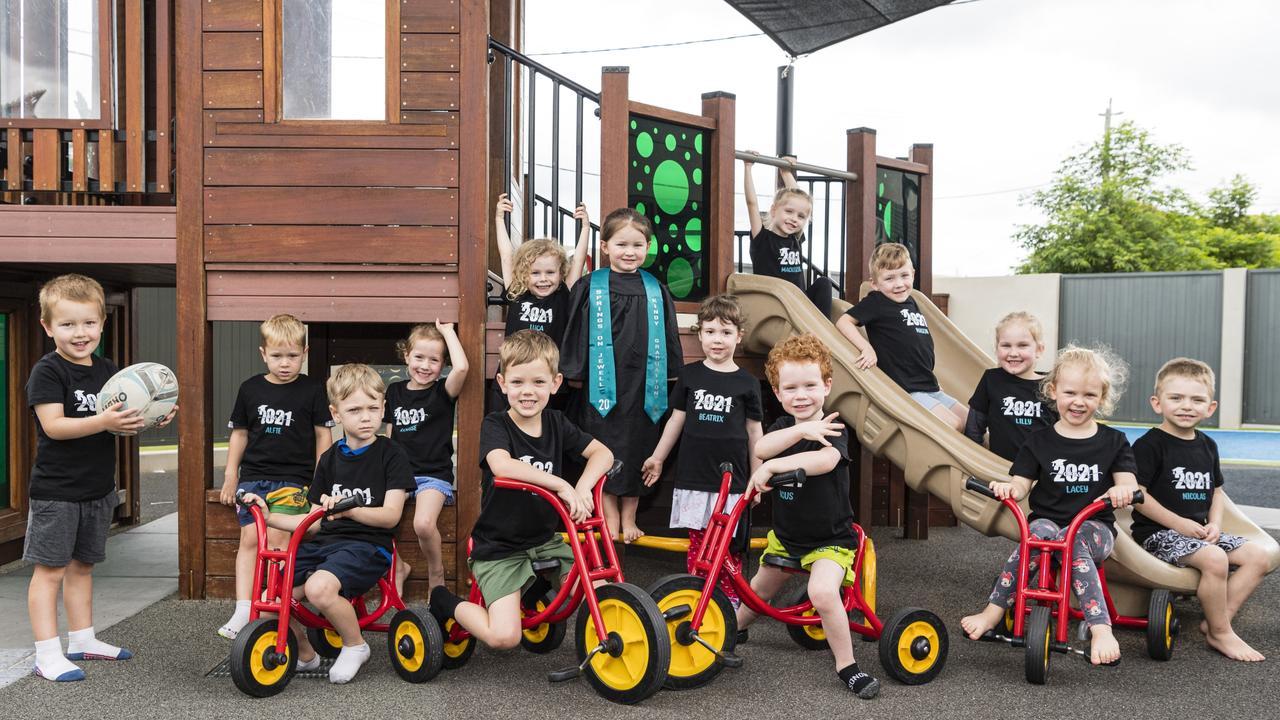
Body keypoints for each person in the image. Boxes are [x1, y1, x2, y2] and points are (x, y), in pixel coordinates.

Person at [25, 274, 172, 682]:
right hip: (57, 491)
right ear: (48, 327)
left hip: (96, 489)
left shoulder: (108, 371)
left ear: (102, 323)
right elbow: (54, 426)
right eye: (68, 324)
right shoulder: (48, 372)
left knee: (83, 566)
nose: (80, 333)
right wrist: (104, 419)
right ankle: (46, 653)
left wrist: (151, 416)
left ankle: (83, 639)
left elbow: (118, 425)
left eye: (88, 322)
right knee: (49, 571)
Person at [428, 330, 614, 650]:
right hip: (500, 547)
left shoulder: (557, 423)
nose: (528, 392)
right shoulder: (496, 425)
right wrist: (561, 484)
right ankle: (445, 602)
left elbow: (603, 454)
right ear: (502, 384)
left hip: (544, 541)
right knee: (504, 637)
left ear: (555, 383)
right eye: (517, 383)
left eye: (538, 382)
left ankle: (532, 594)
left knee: (599, 586)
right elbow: (501, 465)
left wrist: (583, 488)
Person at [960, 346, 1138, 665]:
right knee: (1033, 537)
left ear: (1102, 397)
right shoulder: (1039, 440)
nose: (1078, 402)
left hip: (1094, 528)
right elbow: (1021, 485)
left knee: (1074, 541)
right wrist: (1007, 488)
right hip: (1049, 524)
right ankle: (993, 611)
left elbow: (1128, 481)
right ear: (1053, 390)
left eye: (1089, 394)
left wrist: (1124, 490)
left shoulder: (1113, 441)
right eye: (1070, 392)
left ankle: (1100, 628)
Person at [242, 363, 414, 684]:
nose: (366, 416)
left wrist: (349, 511)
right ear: (336, 414)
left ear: (383, 408)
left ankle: (355, 645)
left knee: (318, 588)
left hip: (369, 546)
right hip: (326, 545)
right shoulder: (330, 458)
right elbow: (313, 522)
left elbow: (391, 516)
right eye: (355, 410)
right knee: (270, 598)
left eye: (373, 408)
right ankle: (306, 655)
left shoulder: (391, 454)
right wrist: (268, 515)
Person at [734, 334, 880, 700]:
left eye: (810, 385)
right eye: (791, 387)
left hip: (830, 539)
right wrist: (799, 431)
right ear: (778, 392)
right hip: (788, 536)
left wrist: (772, 468)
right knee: (757, 593)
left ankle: (847, 665)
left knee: (821, 592)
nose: (801, 395)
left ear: (827, 386)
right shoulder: (785, 427)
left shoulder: (833, 427)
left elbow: (824, 461)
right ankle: (727, 632)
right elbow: (762, 447)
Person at [1129, 358, 1268, 662]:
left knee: (1261, 556)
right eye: (1176, 398)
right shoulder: (1150, 445)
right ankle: (1221, 635)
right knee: (1216, 558)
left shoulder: (1207, 445)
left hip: (1198, 533)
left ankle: (1219, 622)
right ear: (1157, 403)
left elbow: (1216, 491)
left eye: (1197, 400)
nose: (1186, 406)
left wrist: (1215, 524)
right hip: (1158, 535)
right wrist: (1178, 523)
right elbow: (1138, 494)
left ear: (1210, 407)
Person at [560, 208, 683, 543]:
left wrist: (672, 375)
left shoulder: (656, 290)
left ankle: (630, 515)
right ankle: (609, 514)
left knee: (639, 445)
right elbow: (575, 331)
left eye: (638, 245)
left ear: (648, 248)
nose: (630, 252)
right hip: (602, 385)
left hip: (644, 385)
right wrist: (575, 373)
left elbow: (670, 335)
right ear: (605, 247)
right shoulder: (590, 286)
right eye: (621, 244)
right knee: (603, 444)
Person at [642, 295, 763, 607]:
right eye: (710, 332)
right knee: (698, 544)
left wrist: (759, 473)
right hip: (694, 478)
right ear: (699, 335)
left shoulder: (747, 384)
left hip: (732, 481)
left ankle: (730, 601)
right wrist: (657, 457)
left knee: (727, 545)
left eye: (725, 333)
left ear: (739, 336)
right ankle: (698, 597)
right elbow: (676, 420)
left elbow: (754, 432)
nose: (717, 340)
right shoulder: (690, 375)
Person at [217, 314, 332, 639]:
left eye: (292, 356)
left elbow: (323, 437)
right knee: (251, 539)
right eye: (277, 356)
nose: (285, 363)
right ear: (263, 353)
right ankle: (244, 608)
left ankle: (273, 604)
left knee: (281, 542)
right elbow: (239, 435)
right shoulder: (250, 389)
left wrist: (320, 482)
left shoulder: (312, 389)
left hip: (294, 480)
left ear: (305, 353)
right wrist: (230, 475)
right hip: (254, 478)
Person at [835, 242, 967, 432]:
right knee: (953, 424)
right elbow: (844, 322)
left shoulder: (912, 302)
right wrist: (866, 347)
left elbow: (916, 344)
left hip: (929, 385)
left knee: (973, 422)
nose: (899, 284)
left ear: (913, 274)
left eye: (904, 275)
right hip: (907, 390)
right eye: (889, 278)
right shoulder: (877, 301)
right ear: (875, 283)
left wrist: (931, 376)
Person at [384, 321, 468, 595]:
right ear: (406, 355)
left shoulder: (442, 392)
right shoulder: (394, 392)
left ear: (442, 364)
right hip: (399, 476)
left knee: (422, 523)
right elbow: (389, 436)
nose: (425, 365)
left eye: (434, 360)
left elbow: (463, 368)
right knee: (378, 517)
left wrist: (447, 332)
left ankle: (436, 571)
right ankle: (397, 567)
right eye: (418, 357)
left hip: (433, 475)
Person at [743, 152, 834, 318]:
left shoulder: (795, 239)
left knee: (824, 283)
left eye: (801, 217)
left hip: (800, 303)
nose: (794, 219)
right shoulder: (763, 239)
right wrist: (747, 166)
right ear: (774, 210)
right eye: (789, 212)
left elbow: (801, 201)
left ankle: (824, 328)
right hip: (777, 303)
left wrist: (785, 173)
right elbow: (752, 204)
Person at [494, 193, 591, 348]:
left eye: (550, 272)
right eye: (535, 273)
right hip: (516, 367)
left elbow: (579, 260)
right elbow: (505, 255)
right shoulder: (517, 293)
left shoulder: (562, 295)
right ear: (523, 274)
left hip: (548, 369)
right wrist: (499, 218)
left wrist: (586, 227)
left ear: (561, 274)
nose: (543, 278)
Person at [964, 312, 1056, 461]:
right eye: (1006, 345)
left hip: (1041, 473)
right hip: (1000, 471)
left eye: (1022, 345)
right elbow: (974, 428)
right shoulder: (991, 380)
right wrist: (978, 462)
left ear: (1039, 349)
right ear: (997, 348)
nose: (1013, 353)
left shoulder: (1050, 385)